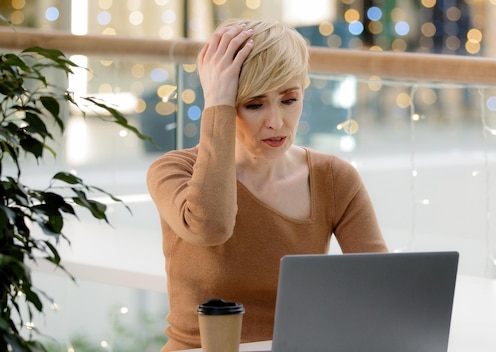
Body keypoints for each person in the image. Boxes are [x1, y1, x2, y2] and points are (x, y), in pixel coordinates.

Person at [146, 18, 388, 351]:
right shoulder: (173, 171)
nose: (276, 122)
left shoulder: (333, 178)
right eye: (254, 104)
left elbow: (383, 292)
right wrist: (216, 102)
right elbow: (211, 227)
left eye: (289, 100)